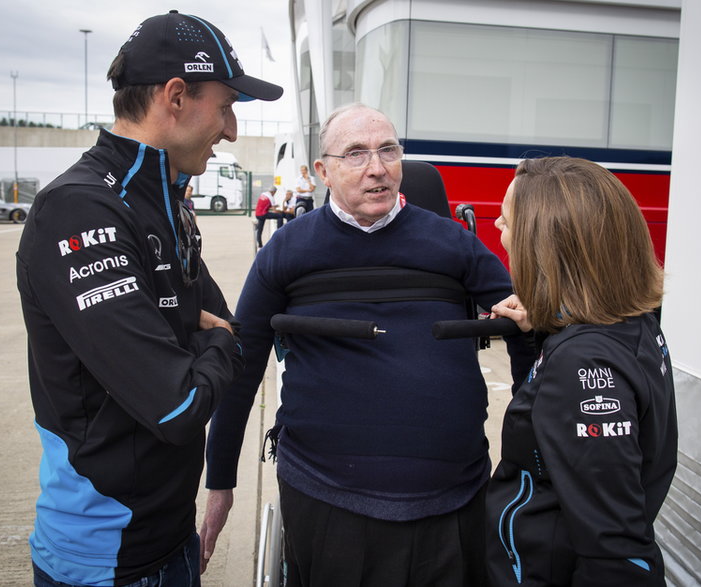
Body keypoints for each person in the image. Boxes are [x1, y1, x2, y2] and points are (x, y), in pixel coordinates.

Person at [201, 102, 536, 585]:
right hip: (325, 496)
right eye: (355, 154)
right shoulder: (287, 250)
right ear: (324, 172)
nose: (376, 168)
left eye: (388, 150)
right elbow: (244, 361)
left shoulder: (453, 243)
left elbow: (523, 327)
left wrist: (529, 459)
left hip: (452, 498)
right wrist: (221, 481)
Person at [15, 10, 282, 587]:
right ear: (177, 96)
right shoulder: (79, 209)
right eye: (227, 105)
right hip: (104, 559)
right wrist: (210, 339)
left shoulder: (166, 203)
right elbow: (178, 406)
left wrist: (201, 337)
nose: (232, 129)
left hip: (171, 537)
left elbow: (225, 327)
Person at [486, 157, 677, 586]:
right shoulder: (635, 323)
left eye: (508, 221)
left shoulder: (581, 363)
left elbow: (615, 551)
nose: (497, 226)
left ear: (546, 248)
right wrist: (542, 332)